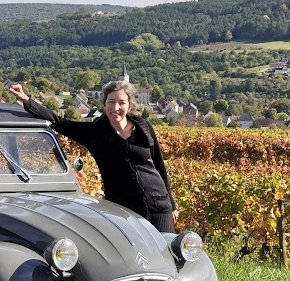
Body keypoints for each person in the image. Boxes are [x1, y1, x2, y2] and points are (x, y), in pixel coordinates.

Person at [9, 80, 179, 233]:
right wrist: (27, 100)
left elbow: (159, 166)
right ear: (104, 104)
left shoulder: (143, 127)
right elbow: (60, 123)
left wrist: (171, 204)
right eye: (111, 102)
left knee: (167, 252)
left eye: (121, 102)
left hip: (159, 205)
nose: (116, 108)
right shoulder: (95, 133)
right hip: (124, 211)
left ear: (130, 106)